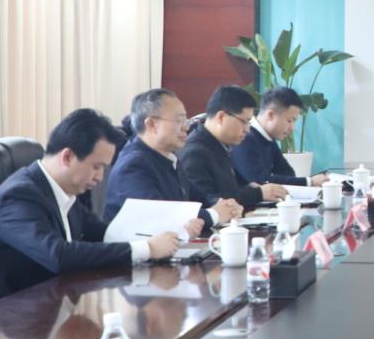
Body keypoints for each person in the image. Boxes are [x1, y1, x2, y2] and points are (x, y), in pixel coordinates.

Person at [0, 109, 181, 308]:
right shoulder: (16, 197)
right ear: (67, 157)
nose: (100, 177)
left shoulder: (61, 191)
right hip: (2, 315)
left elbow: (103, 232)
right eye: (96, 167)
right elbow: (58, 254)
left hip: (50, 304)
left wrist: (162, 237)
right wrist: (146, 248)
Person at [103, 88, 240, 232]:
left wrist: (224, 205)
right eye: (179, 120)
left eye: (186, 120)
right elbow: (160, 217)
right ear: (151, 124)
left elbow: (198, 196)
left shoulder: (168, 157)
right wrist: (214, 214)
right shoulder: (133, 165)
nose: (186, 127)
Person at [179, 85, 289, 213]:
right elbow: (208, 202)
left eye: (249, 122)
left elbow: (232, 188)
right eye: (244, 122)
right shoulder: (195, 153)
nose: (247, 129)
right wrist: (258, 193)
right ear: (221, 117)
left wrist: (249, 187)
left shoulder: (218, 144)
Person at [232, 86, 306, 187]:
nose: (292, 128)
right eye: (289, 120)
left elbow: (287, 173)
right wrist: (308, 181)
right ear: (270, 115)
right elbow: (259, 181)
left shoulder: (268, 138)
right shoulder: (245, 139)